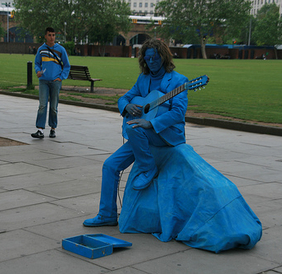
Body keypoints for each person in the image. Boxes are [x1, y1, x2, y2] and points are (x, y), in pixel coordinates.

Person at [83, 38, 188, 227]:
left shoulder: (179, 81)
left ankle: (148, 167)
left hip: (165, 134)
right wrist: (128, 106)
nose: (152, 62)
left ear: (163, 57)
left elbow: (178, 113)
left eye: (155, 58)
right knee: (110, 165)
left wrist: (152, 123)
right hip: (140, 134)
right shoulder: (143, 79)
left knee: (133, 127)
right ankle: (106, 215)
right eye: (148, 58)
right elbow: (123, 99)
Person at [31, 27, 70, 139]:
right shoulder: (41, 49)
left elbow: (67, 65)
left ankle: (53, 128)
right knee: (42, 105)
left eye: (53, 35)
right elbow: (37, 63)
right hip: (43, 81)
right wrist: (38, 71)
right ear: (45, 36)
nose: (52, 37)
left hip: (55, 81)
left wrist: (61, 77)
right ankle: (40, 129)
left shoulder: (60, 49)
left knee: (53, 106)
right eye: (49, 35)